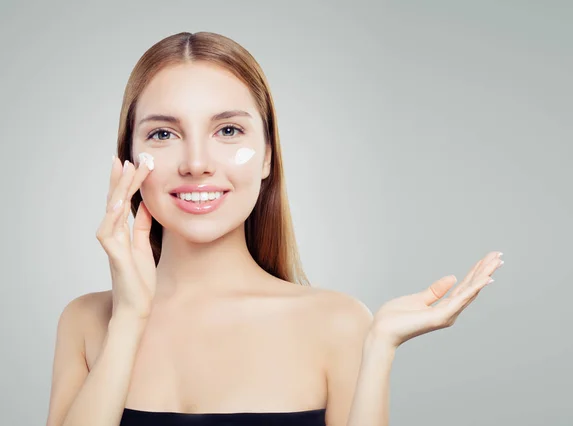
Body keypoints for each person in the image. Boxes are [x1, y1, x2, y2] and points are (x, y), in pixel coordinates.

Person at [45, 31, 504, 426]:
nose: (196, 164)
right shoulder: (86, 323)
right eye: (163, 134)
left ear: (267, 156)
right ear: (128, 160)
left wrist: (379, 348)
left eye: (228, 131)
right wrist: (128, 319)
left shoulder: (339, 323)